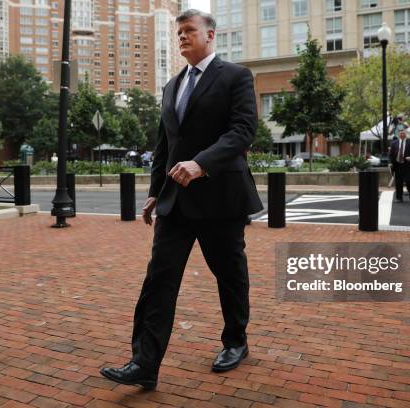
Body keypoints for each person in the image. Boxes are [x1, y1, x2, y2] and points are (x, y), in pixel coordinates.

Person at [100, 9, 262, 390]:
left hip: (222, 198)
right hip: (176, 202)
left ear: (210, 36)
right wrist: (155, 192)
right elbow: (164, 147)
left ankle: (236, 341)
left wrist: (201, 164)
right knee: (159, 279)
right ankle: (144, 363)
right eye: (179, 33)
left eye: (189, 31)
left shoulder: (236, 77)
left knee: (229, 275)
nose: (182, 37)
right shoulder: (172, 86)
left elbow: (243, 131)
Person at [390, 129, 410, 202]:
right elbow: (391, 154)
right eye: (401, 134)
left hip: (408, 165)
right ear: (398, 135)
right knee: (398, 182)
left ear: (406, 134)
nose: (402, 135)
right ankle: (399, 198)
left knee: (409, 181)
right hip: (398, 165)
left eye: (403, 133)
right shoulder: (394, 143)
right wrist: (390, 162)